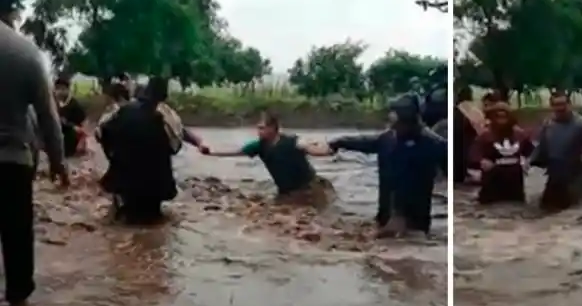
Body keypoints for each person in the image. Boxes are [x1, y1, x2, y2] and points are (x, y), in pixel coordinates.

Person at [0, 0, 67, 306]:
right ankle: (17, 304)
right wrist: (58, 162)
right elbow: (48, 116)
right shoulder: (26, 53)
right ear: (11, 13)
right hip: (13, 161)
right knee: (17, 235)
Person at [325, 94, 447, 236]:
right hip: (386, 216)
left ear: (405, 117)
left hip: (414, 223)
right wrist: (336, 143)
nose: (389, 118)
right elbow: (364, 142)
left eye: (394, 115)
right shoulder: (388, 139)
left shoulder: (433, 144)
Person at [98, 76, 183, 224]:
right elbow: (176, 145)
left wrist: (111, 155)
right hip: (157, 185)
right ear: (164, 96)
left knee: (120, 221)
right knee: (155, 223)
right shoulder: (167, 116)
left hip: (123, 181)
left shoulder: (123, 112)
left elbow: (100, 132)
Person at [205, 112, 333, 203]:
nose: (258, 131)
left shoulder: (292, 141)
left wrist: (328, 150)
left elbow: (310, 147)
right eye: (258, 128)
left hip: (309, 188)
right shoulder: (259, 146)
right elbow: (236, 152)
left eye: (262, 128)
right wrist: (210, 152)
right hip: (286, 192)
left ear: (272, 128)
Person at [471, 101, 534, 204]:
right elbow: (473, 154)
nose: (501, 120)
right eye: (498, 116)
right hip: (491, 184)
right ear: (492, 118)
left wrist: (527, 161)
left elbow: (532, 152)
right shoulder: (485, 136)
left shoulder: (520, 135)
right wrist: (481, 161)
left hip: (514, 185)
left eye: (504, 116)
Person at [52, 76, 88, 157]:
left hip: (69, 135)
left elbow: (82, 123)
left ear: (68, 90)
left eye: (63, 89)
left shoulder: (74, 104)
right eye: (57, 89)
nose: (60, 92)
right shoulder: (52, 103)